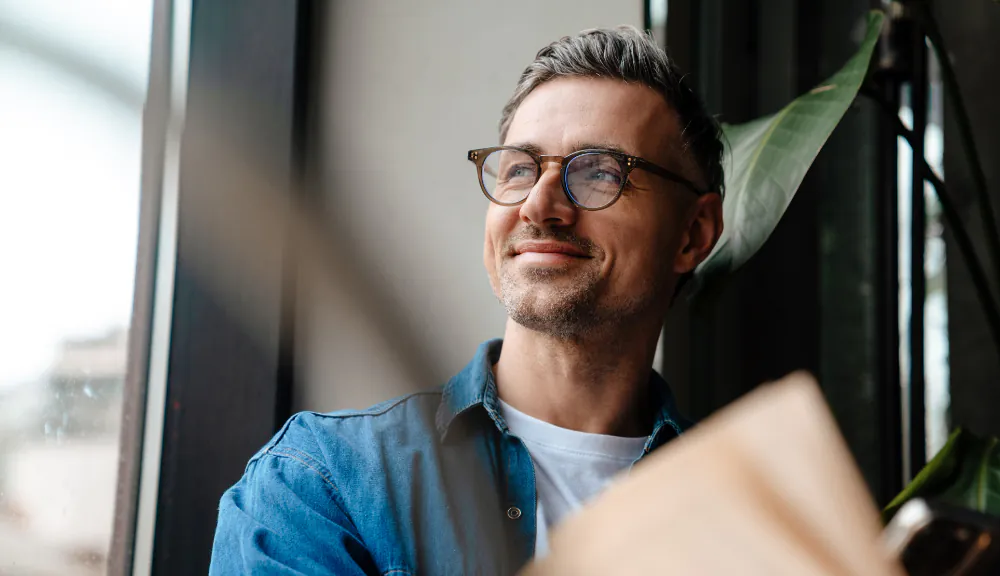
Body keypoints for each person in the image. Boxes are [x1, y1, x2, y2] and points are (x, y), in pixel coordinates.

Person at [210, 25, 724, 575]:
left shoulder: (746, 507)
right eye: (521, 168)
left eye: (599, 172)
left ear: (692, 233)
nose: (539, 205)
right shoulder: (320, 480)